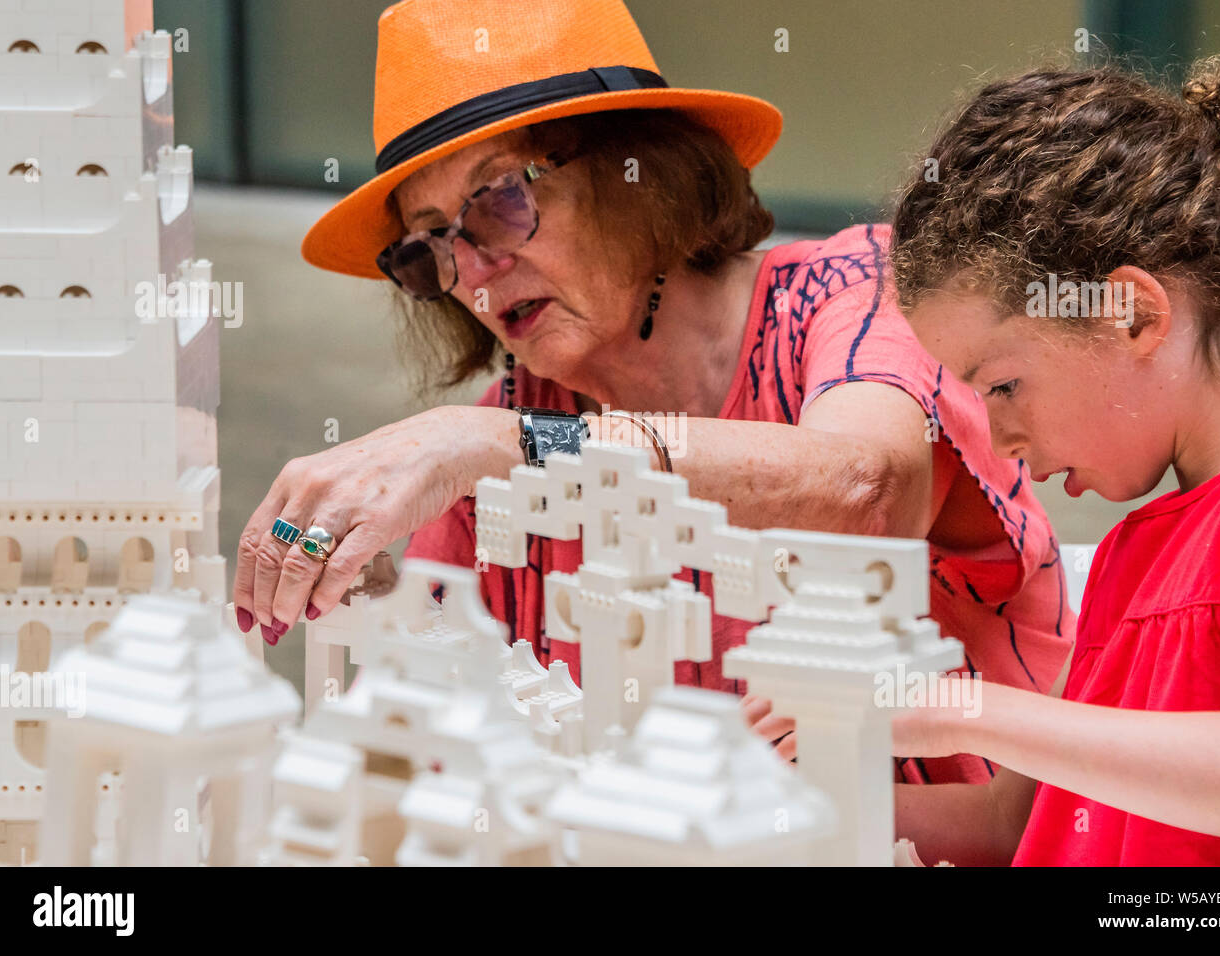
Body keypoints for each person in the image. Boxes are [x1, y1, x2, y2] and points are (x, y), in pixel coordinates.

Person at [234, 0, 1073, 784]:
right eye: (428, 251)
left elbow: (865, 489)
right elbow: (417, 728)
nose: (476, 272)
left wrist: (509, 450)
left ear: (641, 170)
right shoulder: (493, 444)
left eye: (501, 199)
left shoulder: (858, 293)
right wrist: (351, 589)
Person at [887, 52, 1220, 864]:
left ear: (1132, 315)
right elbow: (1013, 828)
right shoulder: (1131, 556)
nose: (1002, 448)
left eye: (1001, 386)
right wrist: (764, 795)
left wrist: (952, 712)